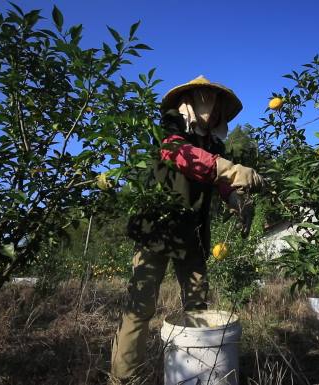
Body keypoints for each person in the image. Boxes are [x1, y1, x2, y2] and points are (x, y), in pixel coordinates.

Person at [110, 75, 264, 382]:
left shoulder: (212, 143)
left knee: (197, 305)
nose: (211, 105)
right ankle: (124, 379)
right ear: (191, 100)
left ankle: (197, 371)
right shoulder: (171, 126)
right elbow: (179, 156)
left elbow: (217, 178)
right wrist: (232, 171)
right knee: (140, 305)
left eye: (215, 100)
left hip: (192, 233)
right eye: (205, 97)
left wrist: (235, 198)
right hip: (158, 227)